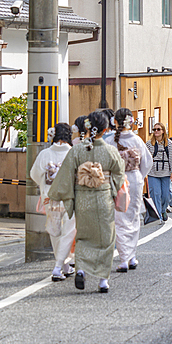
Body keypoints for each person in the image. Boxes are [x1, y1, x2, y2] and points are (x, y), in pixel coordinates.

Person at [49, 110, 126, 294]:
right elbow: (119, 174)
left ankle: (81, 269)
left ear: (87, 127)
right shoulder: (110, 151)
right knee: (106, 239)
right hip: (103, 197)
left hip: (83, 198)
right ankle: (102, 281)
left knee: (83, 236)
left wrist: (66, 194)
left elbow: (66, 175)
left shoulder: (76, 150)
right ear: (106, 128)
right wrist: (111, 188)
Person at [31, 122, 76, 282]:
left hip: (50, 198)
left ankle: (62, 265)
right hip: (69, 198)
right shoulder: (73, 153)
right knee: (68, 232)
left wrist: (44, 187)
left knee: (55, 231)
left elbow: (35, 174)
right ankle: (60, 265)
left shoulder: (45, 154)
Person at [111, 108, 152, 272]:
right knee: (134, 217)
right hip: (134, 180)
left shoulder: (110, 140)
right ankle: (132, 256)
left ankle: (123, 258)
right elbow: (147, 163)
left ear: (115, 122)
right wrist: (139, 176)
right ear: (132, 121)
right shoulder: (137, 140)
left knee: (119, 218)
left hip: (117, 180)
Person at [146, 122, 172, 222]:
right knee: (155, 194)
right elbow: (146, 158)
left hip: (166, 173)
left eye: (158, 129)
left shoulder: (169, 144)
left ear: (163, 131)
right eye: (154, 130)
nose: (156, 131)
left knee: (166, 195)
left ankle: (163, 210)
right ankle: (158, 216)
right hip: (153, 173)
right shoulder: (149, 144)